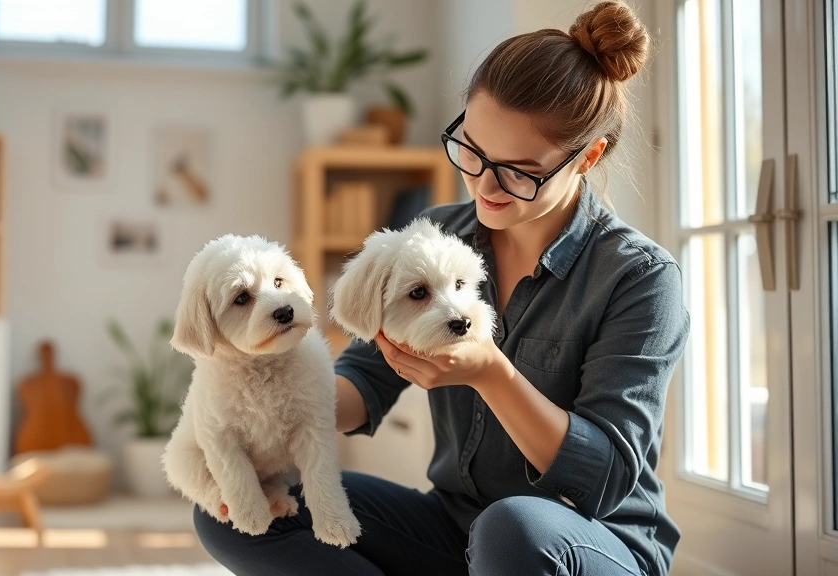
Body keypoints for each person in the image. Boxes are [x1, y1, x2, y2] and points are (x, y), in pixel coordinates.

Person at [193, 2, 689, 575]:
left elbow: (598, 481)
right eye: (472, 150)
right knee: (242, 511)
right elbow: (365, 378)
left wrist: (490, 372)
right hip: (455, 531)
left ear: (587, 157)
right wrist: (257, 391)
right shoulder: (441, 237)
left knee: (512, 528)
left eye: (518, 170)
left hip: (585, 543)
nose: (484, 182)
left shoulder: (640, 278)